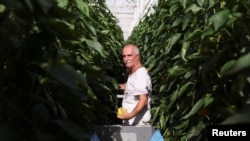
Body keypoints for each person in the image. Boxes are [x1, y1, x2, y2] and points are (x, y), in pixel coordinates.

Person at [117, 44, 152, 125]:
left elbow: (143, 100)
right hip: (133, 124)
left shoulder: (140, 74)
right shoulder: (134, 73)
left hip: (137, 124)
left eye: (129, 55)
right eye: (124, 56)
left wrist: (129, 116)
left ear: (137, 57)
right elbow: (131, 86)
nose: (126, 59)